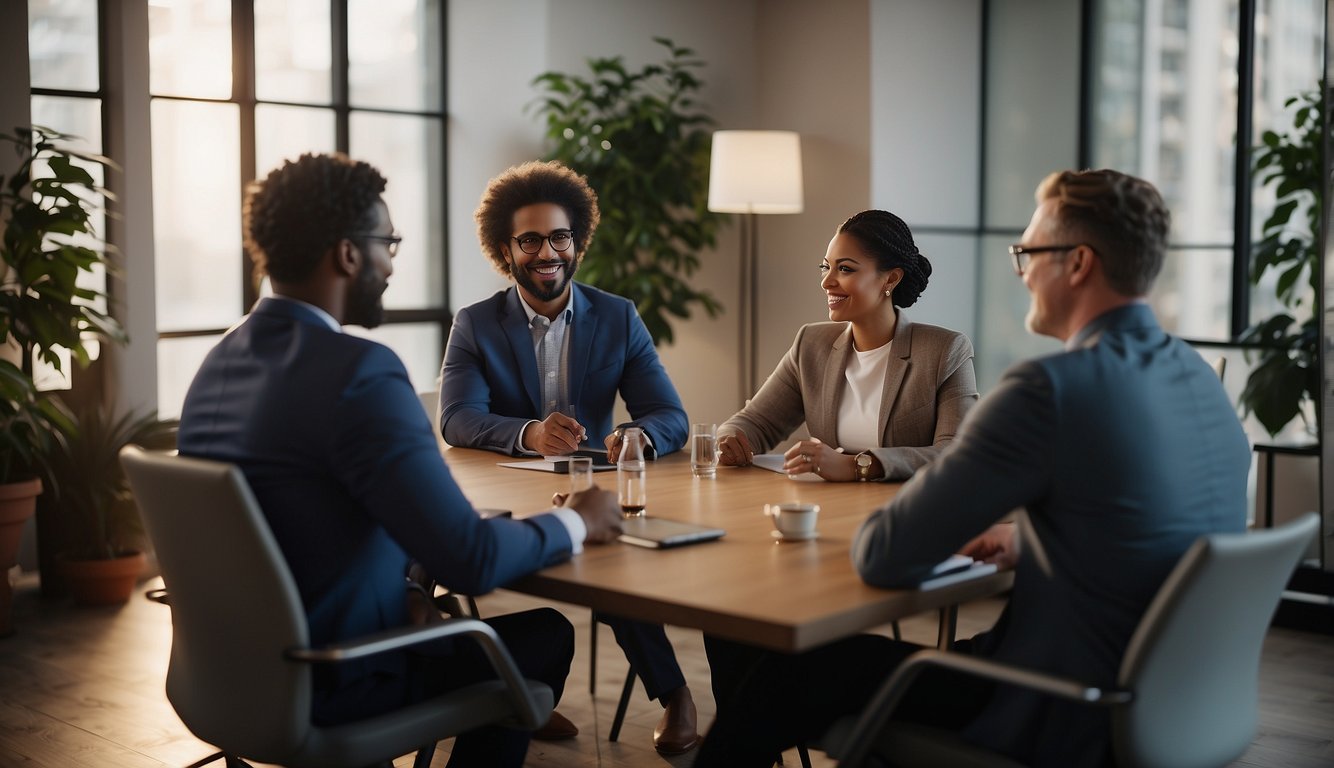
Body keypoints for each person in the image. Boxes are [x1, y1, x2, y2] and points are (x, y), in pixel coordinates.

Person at [695, 169, 1252, 767]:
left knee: (785, 678)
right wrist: (1037, 540)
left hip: (1053, 702)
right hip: (1162, 702)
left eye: (1028, 252)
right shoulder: (1198, 377)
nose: (1022, 271)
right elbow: (1148, 529)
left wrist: (860, 469)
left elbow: (884, 553)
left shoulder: (1047, 390)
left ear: (1079, 263)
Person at [176, 153, 625, 768]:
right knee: (543, 637)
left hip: (228, 676)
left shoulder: (218, 364)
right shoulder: (359, 371)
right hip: (336, 677)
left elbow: (295, 514)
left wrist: (405, 582)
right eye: (387, 241)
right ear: (348, 254)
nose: (392, 262)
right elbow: (471, 561)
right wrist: (579, 518)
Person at [436, 160, 699, 754]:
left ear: (577, 241)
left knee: (615, 560)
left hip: (590, 489)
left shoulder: (617, 315)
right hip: (503, 494)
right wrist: (528, 433)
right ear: (507, 250)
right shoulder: (476, 324)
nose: (546, 252)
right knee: (435, 570)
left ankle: (675, 696)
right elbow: (455, 418)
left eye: (559, 237)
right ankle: (517, 694)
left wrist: (639, 436)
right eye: (529, 240)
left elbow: (671, 415)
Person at [716, 209, 978, 481]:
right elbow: (755, 422)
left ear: (890, 278)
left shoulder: (945, 351)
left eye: (845, 269)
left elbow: (958, 453)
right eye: (825, 267)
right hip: (830, 506)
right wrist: (730, 440)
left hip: (911, 510)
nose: (827, 282)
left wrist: (856, 465)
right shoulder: (811, 344)